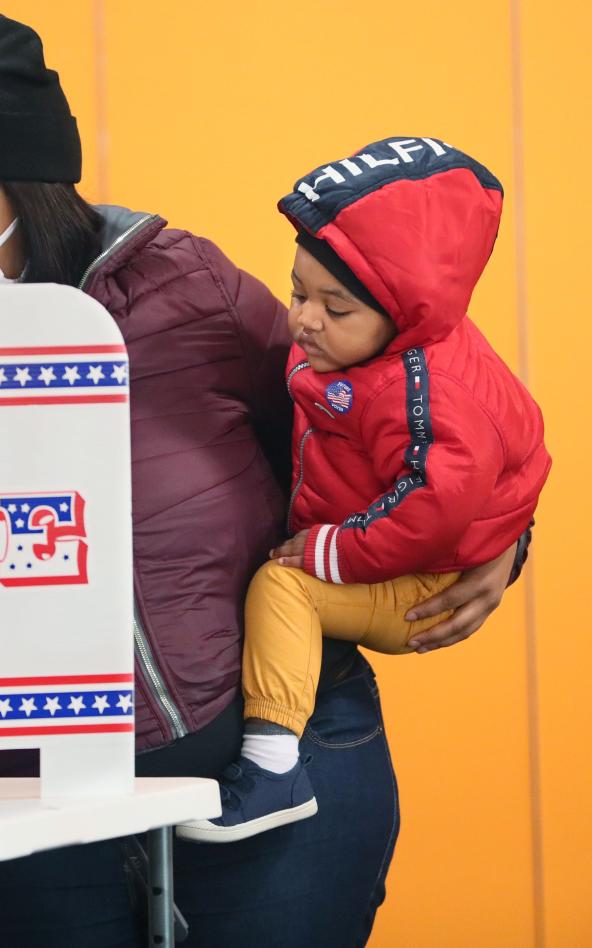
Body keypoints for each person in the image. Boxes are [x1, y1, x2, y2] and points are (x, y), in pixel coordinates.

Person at [0, 13, 526, 946]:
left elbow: (382, 417)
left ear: (34, 197)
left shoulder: (185, 289)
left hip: (274, 769)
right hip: (21, 798)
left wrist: (504, 536)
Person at [177, 139, 551, 844]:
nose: (305, 320)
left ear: (402, 314)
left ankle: (271, 769)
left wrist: (330, 551)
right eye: (298, 292)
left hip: (424, 576)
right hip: (400, 543)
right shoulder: (359, 350)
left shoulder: (427, 393)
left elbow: (432, 509)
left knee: (283, 589)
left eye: (335, 307)